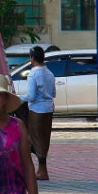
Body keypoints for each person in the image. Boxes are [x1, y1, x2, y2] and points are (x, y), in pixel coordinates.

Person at [26, 45, 56, 181]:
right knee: (44, 139)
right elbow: (54, 93)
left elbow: (31, 96)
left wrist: (18, 98)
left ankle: (39, 171)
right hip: (49, 109)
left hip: (36, 110)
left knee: (35, 139)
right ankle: (42, 170)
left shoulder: (33, 73)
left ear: (32, 58)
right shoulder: (50, 73)